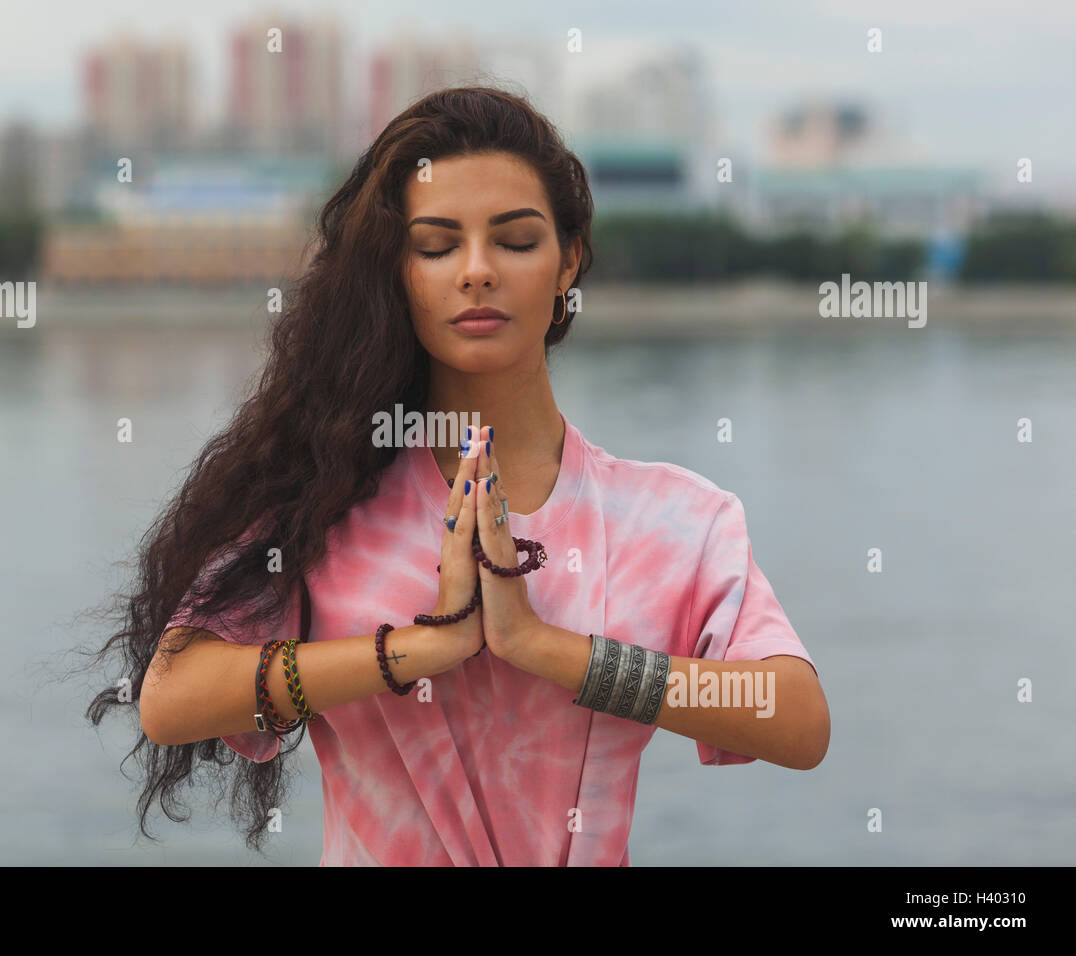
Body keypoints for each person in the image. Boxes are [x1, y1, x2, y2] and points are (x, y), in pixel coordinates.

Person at [86, 85, 829, 866]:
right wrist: (416, 649)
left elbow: (796, 718)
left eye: (514, 240)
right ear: (396, 273)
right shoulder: (322, 497)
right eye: (437, 246)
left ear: (568, 259)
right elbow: (172, 697)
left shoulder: (672, 516)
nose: (476, 272)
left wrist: (543, 647)